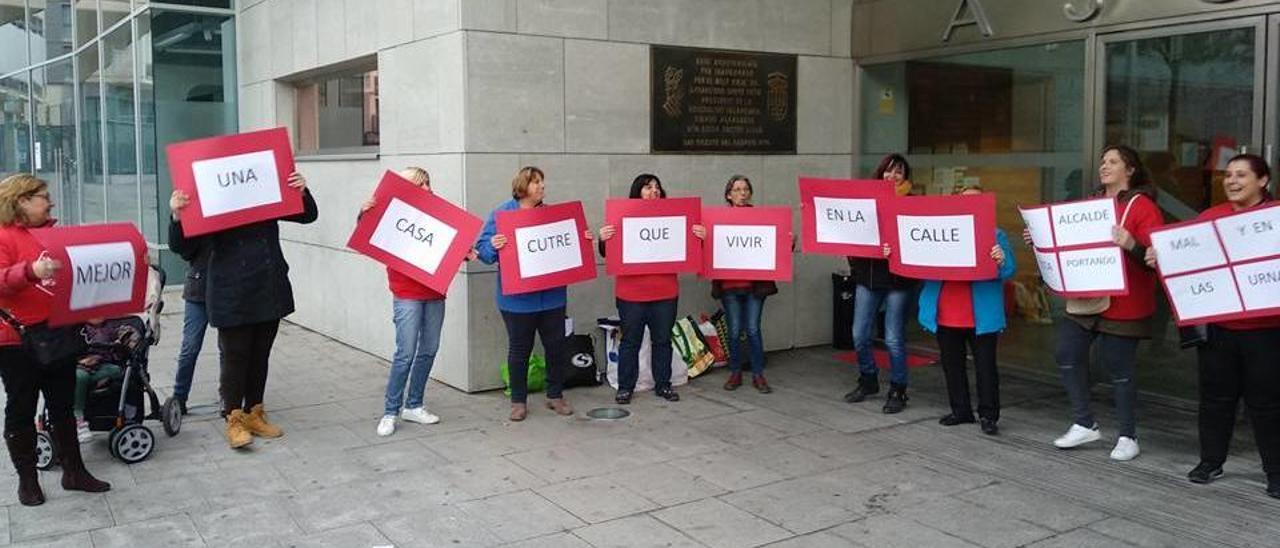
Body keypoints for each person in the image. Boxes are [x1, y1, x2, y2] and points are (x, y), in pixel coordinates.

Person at [1146, 153, 1279, 497]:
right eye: (1228, 175)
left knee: (1266, 403)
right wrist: (1159, 257)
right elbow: (1185, 268)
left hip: (1266, 332)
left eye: (1242, 175)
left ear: (1263, 181)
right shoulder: (1209, 218)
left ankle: (1275, 472)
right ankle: (1210, 461)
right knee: (1216, 399)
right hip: (1219, 331)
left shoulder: (1275, 218)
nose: (1232, 181)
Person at [169, 171, 318, 449]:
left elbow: (307, 215)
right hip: (230, 292)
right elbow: (182, 246)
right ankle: (234, 418)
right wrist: (178, 216)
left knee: (260, 354)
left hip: (267, 285)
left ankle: (254, 412)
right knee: (236, 357)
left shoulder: (265, 198)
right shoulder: (212, 206)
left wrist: (301, 191)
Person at [1035, 145, 1163, 461]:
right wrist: (1042, 239)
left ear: (1130, 170)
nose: (1104, 166)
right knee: (1066, 353)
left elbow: (1154, 259)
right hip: (1087, 299)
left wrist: (1131, 243)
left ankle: (1128, 435)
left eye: (1113, 161)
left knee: (1118, 367)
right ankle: (1084, 422)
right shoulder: (1091, 204)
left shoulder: (1141, 206)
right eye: (1103, 161)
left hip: (1124, 302)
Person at [0, 173, 111, 506]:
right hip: (15, 341)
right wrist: (31, 271)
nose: (50, 202)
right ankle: (28, 480)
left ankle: (74, 472)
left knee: (62, 406)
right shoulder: (4, 236)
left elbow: (70, 283)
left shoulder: (53, 235)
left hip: (58, 334)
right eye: (43, 196)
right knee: (21, 408)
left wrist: (89, 310)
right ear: (21, 201)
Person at [361, 167, 474, 437]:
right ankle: (390, 411)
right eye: (417, 184)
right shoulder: (393, 208)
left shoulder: (440, 212)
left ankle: (414, 404)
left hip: (434, 292)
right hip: (406, 293)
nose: (423, 188)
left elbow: (450, 246)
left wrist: (465, 252)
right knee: (405, 353)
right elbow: (369, 235)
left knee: (429, 349)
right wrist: (365, 213)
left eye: (424, 183)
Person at [475, 166, 590, 421]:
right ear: (522, 185)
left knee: (556, 347)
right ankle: (518, 401)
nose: (541, 187)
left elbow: (568, 246)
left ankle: (555, 395)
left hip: (552, 297)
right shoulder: (502, 213)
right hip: (517, 300)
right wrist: (492, 246)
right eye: (536, 182)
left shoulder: (553, 215)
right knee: (519, 351)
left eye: (542, 182)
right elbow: (482, 251)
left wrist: (583, 239)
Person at [909, 183, 1015, 435]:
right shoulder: (941, 232)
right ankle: (961, 410)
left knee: (985, 367)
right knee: (951, 365)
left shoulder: (995, 234)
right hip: (946, 312)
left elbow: (1009, 270)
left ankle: (989, 416)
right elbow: (917, 259)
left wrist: (1001, 259)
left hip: (981, 315)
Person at [596, 174, 704, 404]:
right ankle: (626, 387)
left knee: (662, 341)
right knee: (630, 342)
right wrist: (603, 239)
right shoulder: (623, 217)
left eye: (657, 187)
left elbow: (691, 249)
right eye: (648, 187)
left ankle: (663, 384)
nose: (654, 191)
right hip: (631, 293)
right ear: (637, 192)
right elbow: (608, 253)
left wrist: (699, 238)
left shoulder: (675, 218)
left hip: (664, 292)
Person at [845, 153, 917, 413]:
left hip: (899, 280)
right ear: (881, 173)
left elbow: (918, 244)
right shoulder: (866, 203)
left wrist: (897, 249)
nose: (893, 176)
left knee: (893, 338)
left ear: (906, 177)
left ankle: (898, 389)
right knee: (859, 334)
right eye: (889, 171)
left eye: (899, 172)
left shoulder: (913, 204)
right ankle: (868, 378)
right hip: (869, 276)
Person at [712, 175, 777, 393]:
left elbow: (774, 246)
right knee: (733, 330)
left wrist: (788, 240)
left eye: (745, 189)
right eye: (737, 189)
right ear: (728, 195)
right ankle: (735, 372)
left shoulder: (761, 217)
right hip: (730, 285)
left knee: (752, 329)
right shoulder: (718, 219)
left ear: (749, 193)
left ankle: (758, 374)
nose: (741, 193)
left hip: (754, 286)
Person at [170, 216, 217, 416]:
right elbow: (182, 249)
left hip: (227, 290)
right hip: (199, 289)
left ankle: (229, 396)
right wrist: (177, 219)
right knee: (190, 347)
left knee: (229, 349)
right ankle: (179, 398)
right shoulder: (198, 216)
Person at [73, 319, 140, 442]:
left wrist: (124, 339)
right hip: (81, 365)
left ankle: (98, 381)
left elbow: (129, 340)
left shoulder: (112, 328)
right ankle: (78, 419)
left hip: (104, 365)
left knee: (117, 371)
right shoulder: (79, 329)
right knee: (80, 377)